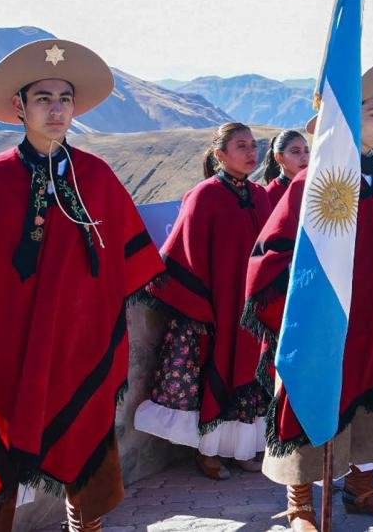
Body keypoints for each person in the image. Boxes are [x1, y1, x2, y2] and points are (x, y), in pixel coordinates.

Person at [0, 39, 164, 530]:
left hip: (76, 348)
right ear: (19, 106)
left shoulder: (98, 179)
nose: (57, 109)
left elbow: (126, 264)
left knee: (86, 454)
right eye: (44, 98)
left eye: (65, 98)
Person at [243, 64, 373, 530]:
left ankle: (363, 490)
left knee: (371, 402)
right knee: (315, 397)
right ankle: (301, 504)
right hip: (329, 323)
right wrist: (300, 311)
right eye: (372, 112)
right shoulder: (315, 179)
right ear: (345, 117)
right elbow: (274, 250)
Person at [132, 122, 271, 480]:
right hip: (213, 308)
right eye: (241, 145)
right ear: (220, 154)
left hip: (249, 309)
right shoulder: (205, 195)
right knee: (210, 375)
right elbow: (183, 252)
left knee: (249, 376)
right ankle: (207, 454)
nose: (250, 152)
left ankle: (240, 449)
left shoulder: (261, 196)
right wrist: (199, 307)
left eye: (254, 145)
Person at [262, 129, 310, 208]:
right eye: (296, 151)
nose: (304, 158)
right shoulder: (269, 195)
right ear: (279, 157)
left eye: (306, 151)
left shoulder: (315, 188)